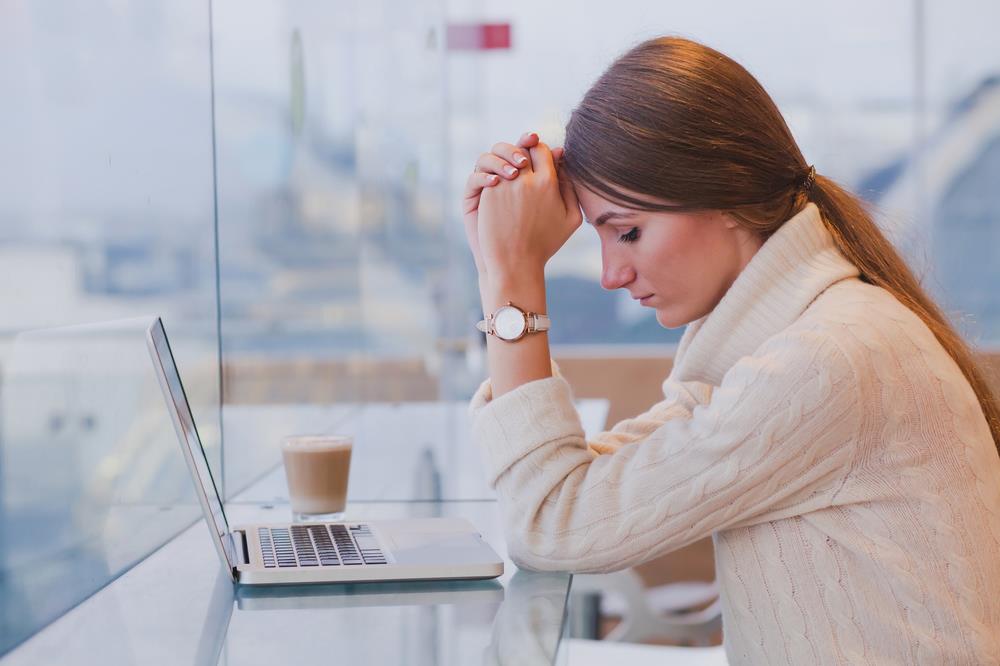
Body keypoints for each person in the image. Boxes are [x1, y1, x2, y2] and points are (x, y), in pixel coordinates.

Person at [462, 36, 1000, 663]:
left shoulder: (825, 361)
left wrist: (511, 277)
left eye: (628, 232)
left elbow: (553, 522)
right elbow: (570, 493)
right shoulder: (783, 340)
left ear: (726, 195)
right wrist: (497, 267)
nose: (610, 274)